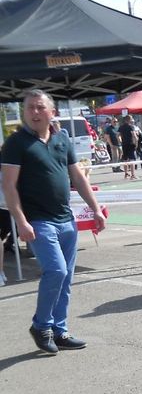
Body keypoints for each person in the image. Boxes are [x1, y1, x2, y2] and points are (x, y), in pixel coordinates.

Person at [1, 89, 106, 354]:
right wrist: (21, 221)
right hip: (38, 221)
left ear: (52, 112)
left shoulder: (62, 140)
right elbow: (9, 186)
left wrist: (95, 209)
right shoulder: (16, 143)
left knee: (66, 277)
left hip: (65, 220)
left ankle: (60, 330)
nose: (34, 113)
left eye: (39, 108)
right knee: (56, 271)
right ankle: (41, 325)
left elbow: (78, 179)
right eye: (29, 108)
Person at [118, 114, 139, 180]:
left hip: (124, 144)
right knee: (132, 160)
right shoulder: (131, 127)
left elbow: (117, 135)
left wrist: (120, 141)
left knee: (125, 160)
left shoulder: (121, 127)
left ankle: (126, 174)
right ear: (129, 120)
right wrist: (136, 143)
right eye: (131, 119)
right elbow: (134, 136)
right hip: (130, 144)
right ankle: (133, 175)